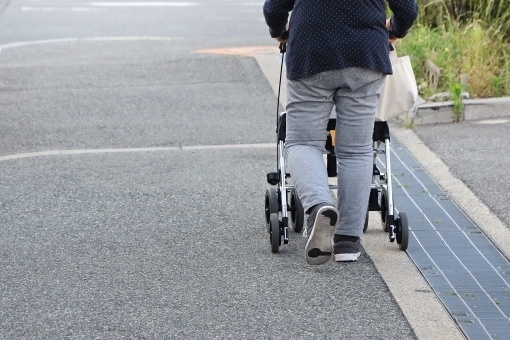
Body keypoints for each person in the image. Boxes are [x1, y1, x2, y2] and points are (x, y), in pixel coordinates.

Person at [263, 0, 418, 265]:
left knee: (302, 142)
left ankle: (319, 205)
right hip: (365, 54)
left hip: (311, 51)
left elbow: (274, 7)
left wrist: (280, 31)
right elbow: (407, 8)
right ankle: (347, 241)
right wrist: (394, 29)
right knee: (356, 149)